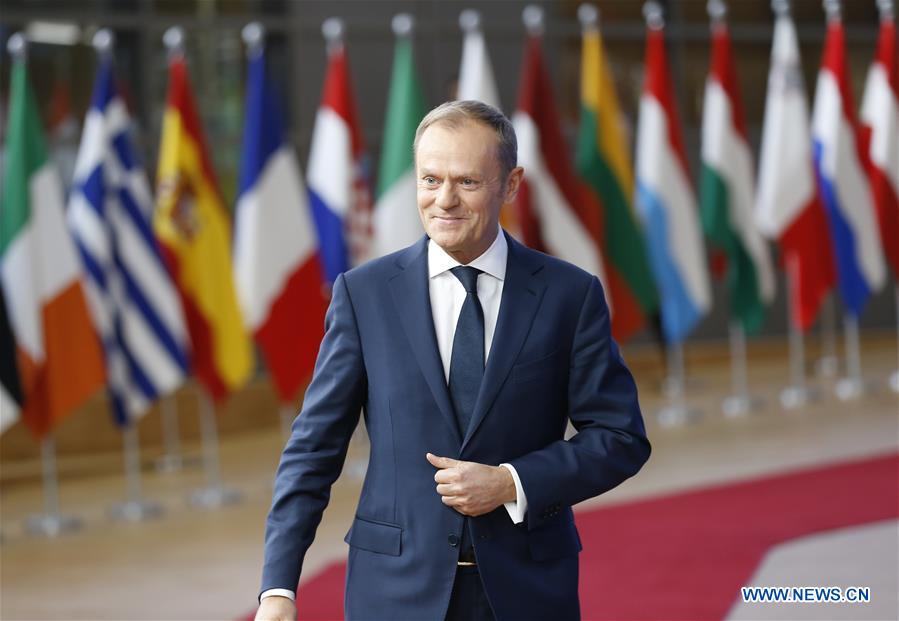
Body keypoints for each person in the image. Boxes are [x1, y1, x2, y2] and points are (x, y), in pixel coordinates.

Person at [255, 100, 650, 621]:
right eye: (430, 180)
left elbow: (620, 437)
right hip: (393, 595)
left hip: (527, 593)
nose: (444, 200)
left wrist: (511, 482)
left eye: (466, 181)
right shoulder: (364, 294)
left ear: (511, 185)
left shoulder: (569, 296)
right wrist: (278, 587)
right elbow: (313, 448)